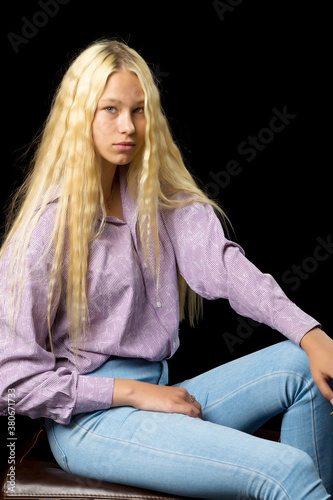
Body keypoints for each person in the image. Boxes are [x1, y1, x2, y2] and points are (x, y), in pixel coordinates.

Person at [0, 39, 332, 499]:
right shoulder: (45, 231)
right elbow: (13, 384)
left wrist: (311, 333)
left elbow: (225, 268)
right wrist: (133, 394)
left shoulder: (158, 200)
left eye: (138, 111)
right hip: (92, 424)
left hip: (163, 397)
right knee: (287, 470)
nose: (128, 126)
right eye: (110, 109)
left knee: (304, 366)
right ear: (80, 117)